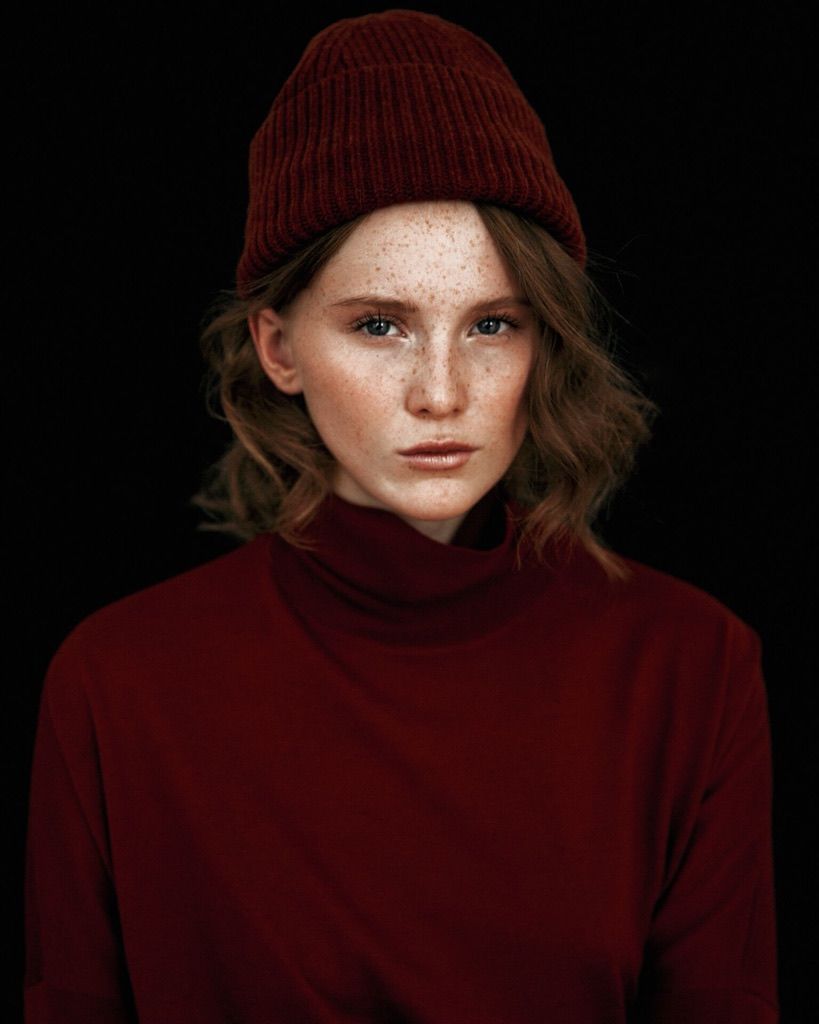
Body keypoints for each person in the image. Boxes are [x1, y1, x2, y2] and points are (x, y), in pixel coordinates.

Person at [23, 9, 779, 1023]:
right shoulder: (117, 683)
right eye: (380, 325)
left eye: (492, 324)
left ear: (544, 342)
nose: (441, 392)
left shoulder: (689, 667)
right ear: (278, 349)